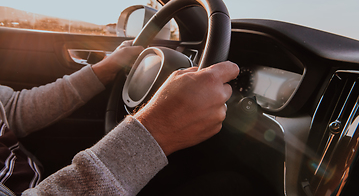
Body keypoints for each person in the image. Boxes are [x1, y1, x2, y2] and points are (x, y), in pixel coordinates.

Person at [0, 40, 239, 195]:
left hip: (36, 178)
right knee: (231, 186)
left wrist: (106, 68)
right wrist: (154, 132)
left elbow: (11, 109)